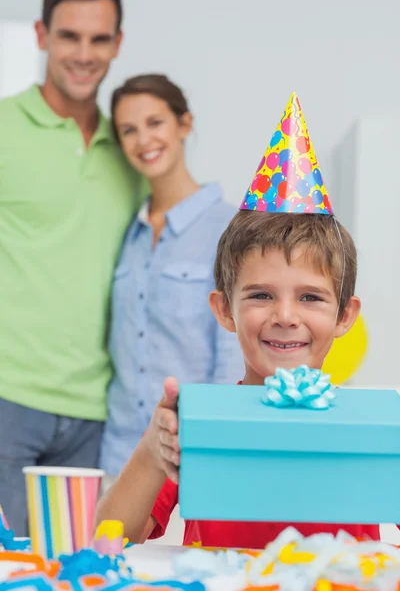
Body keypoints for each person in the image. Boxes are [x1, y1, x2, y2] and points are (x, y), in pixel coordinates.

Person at [96, 94, 384, 548]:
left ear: (345, 316)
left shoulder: (370, 428)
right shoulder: (204, 422)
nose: (285, 316)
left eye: (310, 297)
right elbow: (109, 536)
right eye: (261, 295)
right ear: (224, 310)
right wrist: (155, 449)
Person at [0, 0, 148, 536]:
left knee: (78, 571)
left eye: (98, 38)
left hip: (96, 412)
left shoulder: (133, 150)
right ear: (41, 36)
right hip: (8, 398)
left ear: (117, 44)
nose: (83, 53)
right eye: (69, 36)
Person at [100, 74, 244, 477]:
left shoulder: (229, 227)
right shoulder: (128, 234)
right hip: (120, 460)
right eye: (129, 130)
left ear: (184, 123)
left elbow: (236, 352)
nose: (143, 140)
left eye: (155, 122)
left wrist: (212, 443)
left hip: (192, 456)